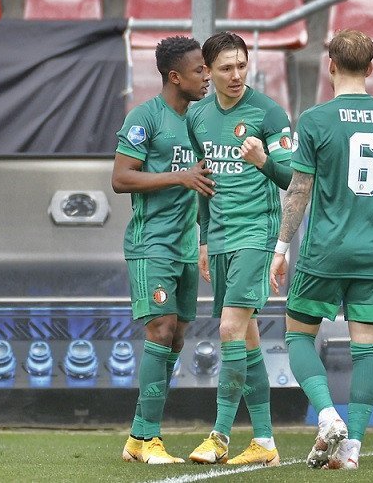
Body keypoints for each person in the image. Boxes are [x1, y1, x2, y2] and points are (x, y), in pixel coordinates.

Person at [269, 29, 373, 470]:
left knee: (298, 335)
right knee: (366, 348)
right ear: (372, 69)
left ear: (329, 65)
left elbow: (298, 191)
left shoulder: (314, 120)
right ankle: (353, 450)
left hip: (325, 250)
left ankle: (328, 416)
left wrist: (281, 245)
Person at [186, 32, 293, 466]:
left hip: (257, 233)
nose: (236, 75)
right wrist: (205, 238)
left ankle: (219, 436)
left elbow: (295, 180)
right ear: (207, 71)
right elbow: (204, 182)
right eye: (226, 68)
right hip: (223, 236)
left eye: (242, 66)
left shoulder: (269, 113)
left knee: (230, 329)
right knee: (246, 339)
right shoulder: (199, 118)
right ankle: (264, 442)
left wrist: (262, 161)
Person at [112, 36, 215, 464]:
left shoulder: (205, 121)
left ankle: (138, 440)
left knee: (175, 339)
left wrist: (206, 240)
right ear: (175, 76)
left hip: (186, 246)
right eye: (199, 71)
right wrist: (179, 177)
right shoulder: (145, 118)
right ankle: (149, 438)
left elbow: (205, 182)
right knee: (160, 330)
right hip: (150, 244)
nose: (207, 76)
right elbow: (120, 178)